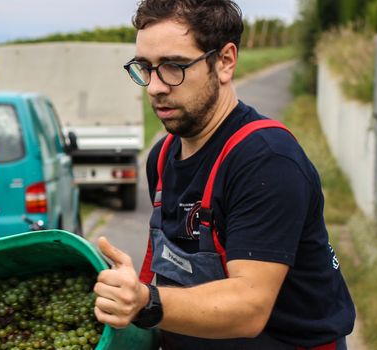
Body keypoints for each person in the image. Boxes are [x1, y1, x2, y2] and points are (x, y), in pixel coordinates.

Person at [92, 0, 356, 349]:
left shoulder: (266, 160)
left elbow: (249, 306)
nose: (155, 87)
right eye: (145, 67)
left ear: (225, 62)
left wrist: (147, 301)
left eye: (174, 66)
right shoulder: (161, 157)